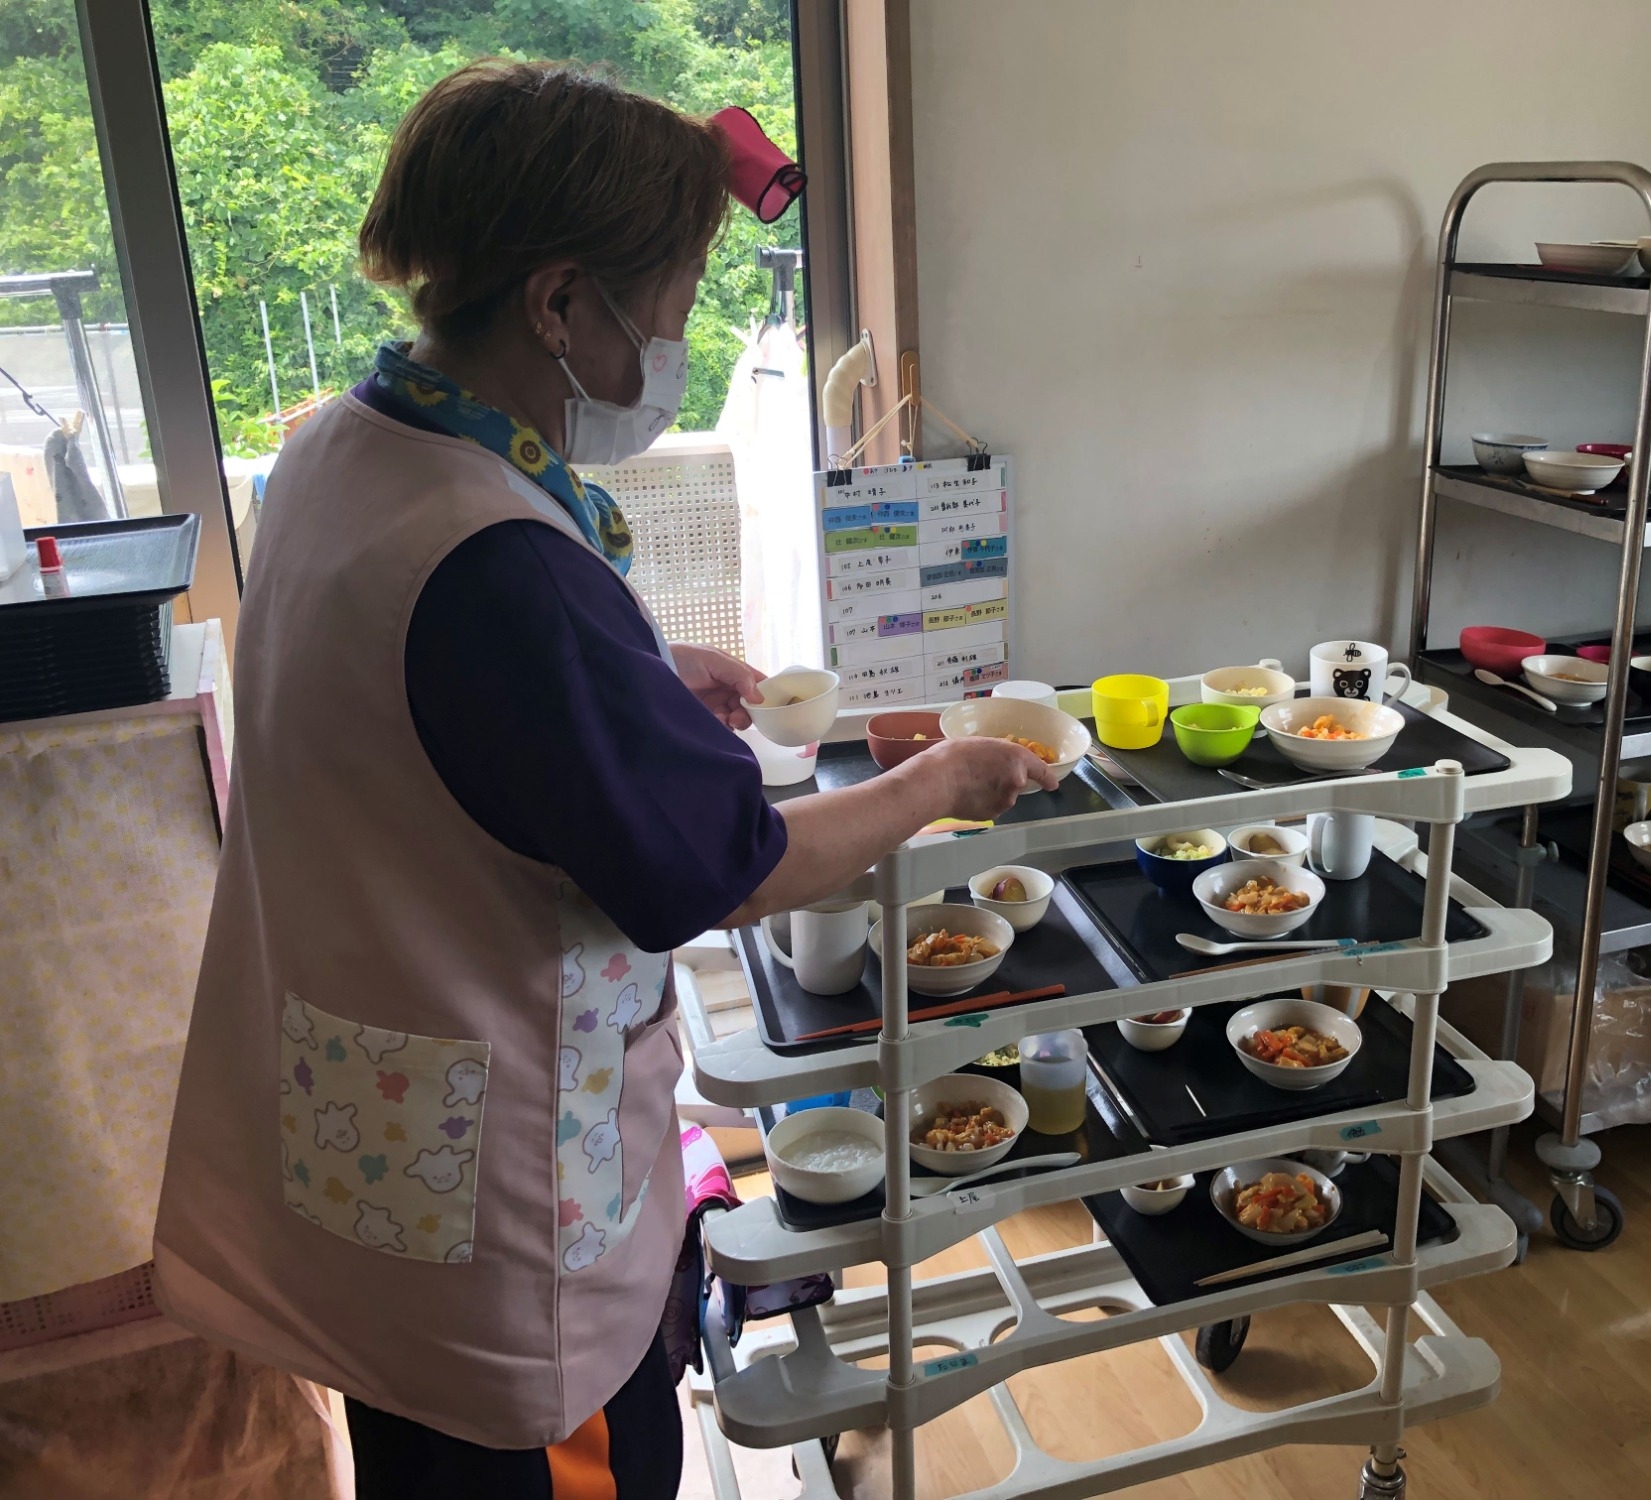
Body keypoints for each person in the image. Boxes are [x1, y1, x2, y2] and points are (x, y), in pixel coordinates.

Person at [151, 60, 1051, 1498]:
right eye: (674, 303)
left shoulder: (338, 450)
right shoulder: (506, 573)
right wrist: (944, 775)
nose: (679, 341)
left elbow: (413, 704)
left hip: (371, 1143)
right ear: (559, 304)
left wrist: (632, 664)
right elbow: (735, 868)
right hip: (497, 1213)